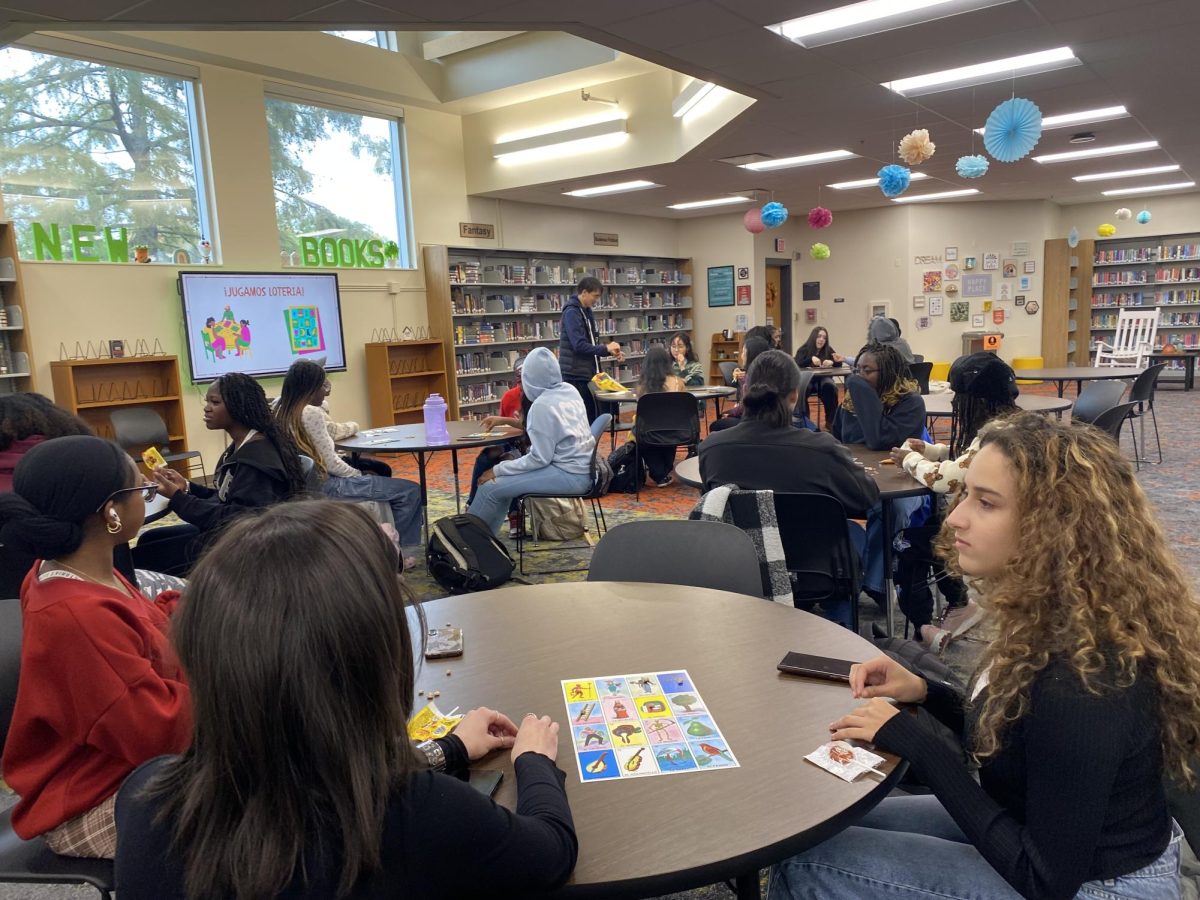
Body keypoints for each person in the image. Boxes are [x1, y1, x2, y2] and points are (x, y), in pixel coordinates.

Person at [769, 412, 1197, 900]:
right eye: (965, 493)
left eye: (986, 502)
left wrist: (921, 744)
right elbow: (1021, 735)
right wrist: (926, 693)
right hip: (1034, 827)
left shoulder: (1085, 681)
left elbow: (1045, 879)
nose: (955, 517)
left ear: (1052, 527)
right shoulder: (1055, 617)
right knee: (822, 825)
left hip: (1099, 885)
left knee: (808, 861)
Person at [115, 501, 577, 899]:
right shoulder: (421, 814)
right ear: (374, 661)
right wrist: (534, 761)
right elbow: (551, 853)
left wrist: (450, 750)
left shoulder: (143, 798)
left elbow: (315, 770)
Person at [0, 435, 191, 859]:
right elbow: (157, 732)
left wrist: (195, 608)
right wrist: (239, 685)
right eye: (140, 490)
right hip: (92, 798)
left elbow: (144, 634)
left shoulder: (80, 568)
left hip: (121, 763)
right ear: (110, 510)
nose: (147, 497)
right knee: (275, 801)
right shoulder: (77, 614)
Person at [699, 350, 879, 627]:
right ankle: (844, 634)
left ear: (746, 389)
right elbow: (866, 498)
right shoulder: (822, 449)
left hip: (743, 569)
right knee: (849, 532)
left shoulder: (712, 448)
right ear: (795, 395)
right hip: (818, 571)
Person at [888, 352, 1019, 642]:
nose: (954, 404)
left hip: (996, 533)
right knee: (934, 534)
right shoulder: (1012, 427)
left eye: (959, 398)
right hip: (1012, 525)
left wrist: (910, 460)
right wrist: (932, 451)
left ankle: (925, 624)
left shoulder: (994, 436)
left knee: (909, 542)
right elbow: (971, 459)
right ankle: (958, 603)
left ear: (978, 401)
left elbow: (946, 480)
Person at [136, 373, 305, 575]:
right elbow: (226, 498)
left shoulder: (256, 459)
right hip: (229, 534)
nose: (207, 407)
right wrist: (188, 487)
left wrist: (178, 498)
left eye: (215, 402)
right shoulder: (243, 445)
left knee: (139, 559)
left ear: (237, 406)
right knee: (149, 538)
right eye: (207, 401)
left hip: (242, 547)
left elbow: (236, 519)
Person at [274, 360, 423, 567]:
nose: (326, 393)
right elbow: (332, 464)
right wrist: (360, 476)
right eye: (322, 386)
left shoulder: (281, 408)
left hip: (305, 484)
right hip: (328, 484)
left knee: (379, 475)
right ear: (311, 388)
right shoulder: (310, 413)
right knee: (410, 490)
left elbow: (331, 433)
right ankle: (402, 555)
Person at [467, 347, 595, 536]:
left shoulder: (541, 406)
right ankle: (485, 542)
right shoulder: (570, 391)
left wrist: (497, 469)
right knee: (499, 486)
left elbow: (539, 459)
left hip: (567, 474)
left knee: (489, 488)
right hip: (583, 470)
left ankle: (470, 544)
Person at [833, 342, 926, 450]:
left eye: (867, 370)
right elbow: (837, 438)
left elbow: (881, 441)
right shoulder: (851, 400)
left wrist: (864, 393)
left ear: (889, 372)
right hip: (853, 462)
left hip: (891, 464)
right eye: (857, 370)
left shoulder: (910, 402)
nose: (859, 376)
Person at [558, 275, 623, 422]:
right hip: (575, 374)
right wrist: (605, 348)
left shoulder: (585, 311)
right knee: (583, 418)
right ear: (584, 292)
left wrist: (609, 351)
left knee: (592, 415)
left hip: (586, 373)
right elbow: (579, 345)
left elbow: (591, 342)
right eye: (595, 296)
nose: (596, 300)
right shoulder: (572, 312)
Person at [631, 344, 688, 487]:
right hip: (675, 431)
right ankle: (664, 470)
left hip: (648, 433)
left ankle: (659, 473)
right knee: (668, 427)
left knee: (638, 429)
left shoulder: (640, 386)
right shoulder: (677, 381)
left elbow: (640, 411)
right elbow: (684, 405)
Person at [709, 335, 771, 432]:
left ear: (750, 355)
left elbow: (746, 406)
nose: (741, 356)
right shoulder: (769, 372)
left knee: (715, 426)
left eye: (743, 352)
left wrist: (730, 413)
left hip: (751, 422)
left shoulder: (750, 377)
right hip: (770, 420)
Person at [794, 326, 845, 426]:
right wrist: (810, 359)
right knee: (802, 389)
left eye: (824, 338)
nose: (822, 339)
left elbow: (839, 363)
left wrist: (832, 362)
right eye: (819, 336)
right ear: (813, 337)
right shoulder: (803, 349)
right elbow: (797, 363)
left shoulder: (828, 349)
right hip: (808, 381)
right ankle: (805, 422)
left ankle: (831, 422)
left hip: (823, 380)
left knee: (829, 387)